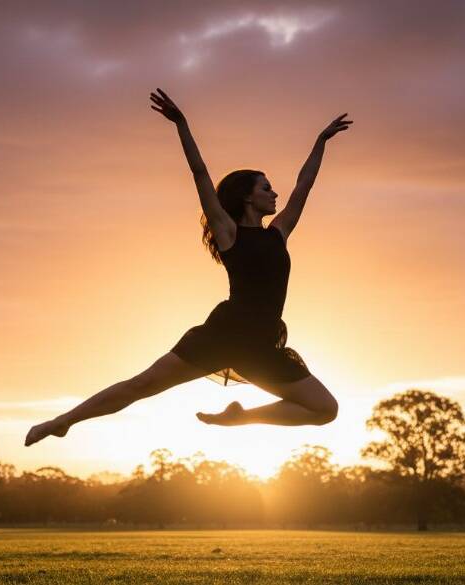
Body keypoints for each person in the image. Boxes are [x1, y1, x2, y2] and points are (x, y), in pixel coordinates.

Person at [24, 88, 352, 447]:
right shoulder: (229, 234)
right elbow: (199, 174)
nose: (275, 194)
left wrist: (321, 141)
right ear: (247, 196)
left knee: (325, 409)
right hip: (224, 334)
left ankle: (241, 418)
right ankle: (62, 421)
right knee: (142, 385)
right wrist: (182, 124)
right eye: (266, 188)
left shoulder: (278, 233)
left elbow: (304, 186)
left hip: (261, 344)